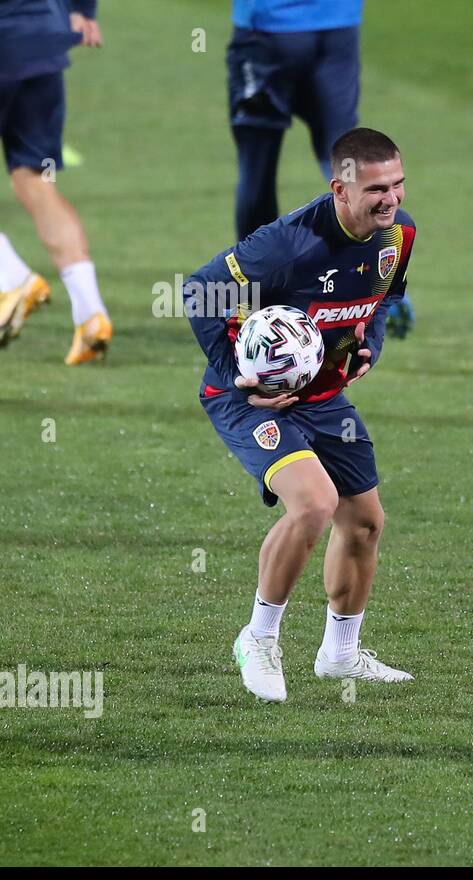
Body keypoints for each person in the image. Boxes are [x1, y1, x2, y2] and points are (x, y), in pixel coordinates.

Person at [186, 127, 415, 702]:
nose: (391, 199)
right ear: (339, 188)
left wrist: (370, 347)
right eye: (376, 189)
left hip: (323, 399)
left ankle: (340, 653)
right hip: (245, 401)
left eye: (398, 184)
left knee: (364, 523)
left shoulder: (399, 235)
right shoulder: (286, 244)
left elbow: (383, 296)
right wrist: (243, 374)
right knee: (314, 504)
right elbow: (199, 292)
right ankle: (258, 639)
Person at [225, 0, 415, 338]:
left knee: (258, 168)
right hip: (336, 24)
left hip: (270, 28)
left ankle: (257, 305)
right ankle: (381, 284)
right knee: (351, 161)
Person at [0, 0, 112, 363]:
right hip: (43, 44)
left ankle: (13, 280)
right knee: (35, 178)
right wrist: (82, 10)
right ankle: (90, 315)